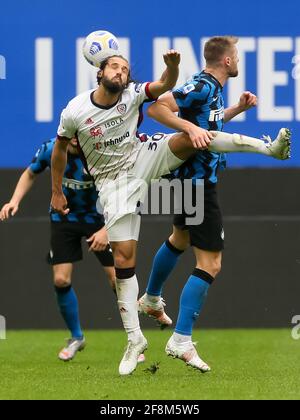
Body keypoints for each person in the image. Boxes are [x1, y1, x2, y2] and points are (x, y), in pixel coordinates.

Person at [50, 50, 291, 375]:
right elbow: (59, 151)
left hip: (140, 156)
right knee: (124, 258)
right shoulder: (75, 111)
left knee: (194, 137)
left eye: (124, 68)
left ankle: (268, 148)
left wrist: (173, 67)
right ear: (99, 71)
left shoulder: (133, 94)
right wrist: (56, 192)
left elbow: (164, 85)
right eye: (114, 67)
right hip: (112, 183)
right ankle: (135, 339)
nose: (120, 72)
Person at [138, 36, 291, 372]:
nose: (238, 61)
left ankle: (150, 298)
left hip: (183, 182)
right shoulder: (201, 85)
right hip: (197, 185)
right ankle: (180, 339)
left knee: (179, 238)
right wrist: (188, 128)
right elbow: (156, 107)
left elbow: (209, 128)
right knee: (211, 264)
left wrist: (236, 109)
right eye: (236, 56)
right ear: (226, 61)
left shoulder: (213, 91)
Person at [0, 137, 116, 362]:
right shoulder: (51, 148)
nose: (73, 138)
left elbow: (123, 189)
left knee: (117, 280)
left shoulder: (101, 152)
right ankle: (76, 337)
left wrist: (107, 230)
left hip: (99, 218)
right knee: (61, 280)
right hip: (63, 217)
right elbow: (30, 172)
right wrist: (14, 200)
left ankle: (134, 338)